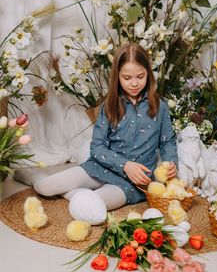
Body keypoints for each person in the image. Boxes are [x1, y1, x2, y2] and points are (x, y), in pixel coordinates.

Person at [33, 43, 178, 220]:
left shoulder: (160, 106)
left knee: (93, 205)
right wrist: (125, 165)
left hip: (132, 182)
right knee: (45, 187)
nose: (134, 83)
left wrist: (170, 162)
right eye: (127, 77)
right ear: (117, 76)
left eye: (140, 76)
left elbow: (167, 141)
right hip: (101, 167)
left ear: (148, 73)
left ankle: (79, 195)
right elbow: (97, 148)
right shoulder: (109, 105)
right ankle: (35, 178)